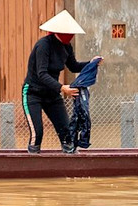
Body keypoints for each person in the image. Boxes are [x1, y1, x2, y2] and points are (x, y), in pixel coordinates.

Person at [23, 11, 100, 153]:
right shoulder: (44, 45)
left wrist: (91, 63)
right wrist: (62, 88)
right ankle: (33, 162)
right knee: (37, 133)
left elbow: (74, 66)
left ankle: (69, 162)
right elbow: (42, 74)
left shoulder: (66, 47)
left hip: (52, 95)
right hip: (33, 93)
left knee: (67, 135)